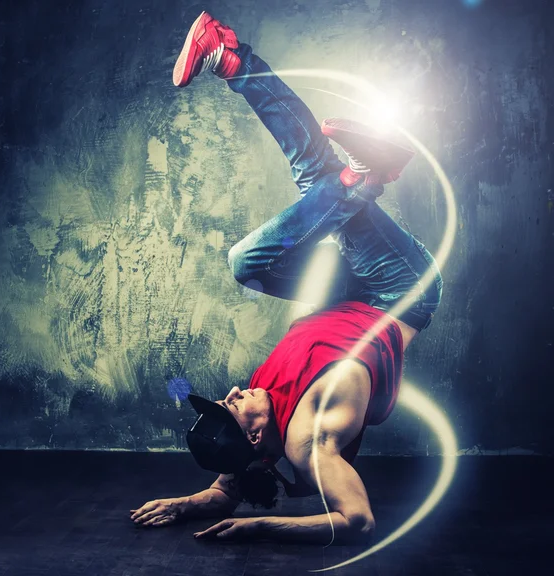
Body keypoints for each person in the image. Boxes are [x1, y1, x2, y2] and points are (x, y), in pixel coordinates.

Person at [130, 11, 443, 544]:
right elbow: (358, 520)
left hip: (347, 293)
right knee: (267, 231)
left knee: (253, 258)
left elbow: (225, 488)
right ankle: (358, 173)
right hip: (397, 292)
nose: (233, 390)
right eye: (233, 404)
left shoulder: (261, 426)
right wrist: (261, 524)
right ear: (255, 434)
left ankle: (356, 174)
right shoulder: (306, 439)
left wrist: (186, 504)